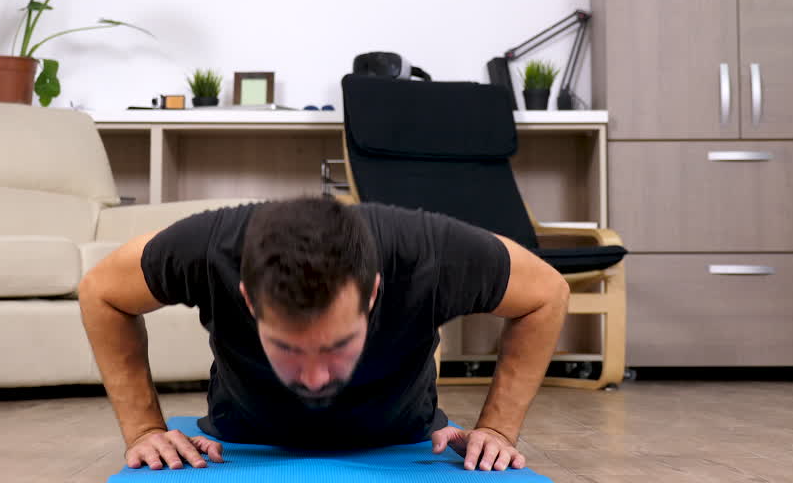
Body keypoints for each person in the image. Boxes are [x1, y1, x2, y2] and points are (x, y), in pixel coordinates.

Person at [78, 196, 570, 473]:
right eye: (288, 348)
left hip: (401, 443)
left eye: (337, 346)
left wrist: (499, 428)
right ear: (249, 299)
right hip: (243, 443)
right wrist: (143, 429)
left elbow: (546, 293)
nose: (314, 378)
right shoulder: (208, 247)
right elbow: (101, 291)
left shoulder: (429, 251)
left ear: (373, 294)